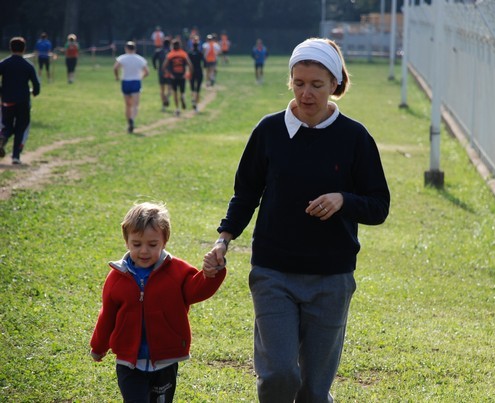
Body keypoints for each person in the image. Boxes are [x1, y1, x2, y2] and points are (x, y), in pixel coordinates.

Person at [202, 37, 390, 402]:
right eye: (299, 83)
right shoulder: (268, 131)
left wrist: (343, 200)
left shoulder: (355, 138)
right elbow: (246, 194)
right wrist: (223, 239)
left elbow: (378, 205)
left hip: (332, 278)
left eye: (317, 85)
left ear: (335, 84)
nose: (306, 94)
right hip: (274, 272)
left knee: (315, 391)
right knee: (280, 374)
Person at [90, 202, 226, 402]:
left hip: (165, 361)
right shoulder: (117, 277)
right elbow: (108, 315)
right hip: (129, 363)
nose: (144, 251)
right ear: (126, 241)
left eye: (152, 244)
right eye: (137, 244)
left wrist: (211, 274)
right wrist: (98, 346)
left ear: (164, 241)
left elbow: (197, 290)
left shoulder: (177, 271)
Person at [0, 37, 41, 165]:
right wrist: (35, 92)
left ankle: (3, 137)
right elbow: (36, 83)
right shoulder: (28, 65)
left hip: (7, 100)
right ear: (24, 49)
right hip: (23, 100)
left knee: (7, 124)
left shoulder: (4, 63)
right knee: (21, 127)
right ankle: (16, 156)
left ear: (10, 48)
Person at [114, 41, 149, 133]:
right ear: (135, 49)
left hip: (125, 81)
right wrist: (141, 77)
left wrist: (117, 77)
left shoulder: (122, 58)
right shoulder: (140, 59)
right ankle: (132, 119)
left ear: (126, 48)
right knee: (135, 105)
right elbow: (147, 72)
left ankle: (129, 123)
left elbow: (115, 68)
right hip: (136, 81)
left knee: (127, 105)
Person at [162, 39, 192, 116]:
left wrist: (168, 73)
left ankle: (177, 109)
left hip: (173, 76)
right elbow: (190, 65)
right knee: (182, 91)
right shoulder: (183, 54)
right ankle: (182, 97)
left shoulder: (170, 54)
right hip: (182, 76)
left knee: (175, 93)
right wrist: (189, 73)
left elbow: (164, 66)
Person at [152, 38, 172, 112]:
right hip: (169, 72)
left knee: (162, 89)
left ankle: (163, 104)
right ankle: (166, 98)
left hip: (161, 72)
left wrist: (155, 67)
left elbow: (153, 58)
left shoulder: (159, 51)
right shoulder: (171, 51)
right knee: (170, 89)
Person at [187, 35, 204, 112]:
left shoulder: (189, 53)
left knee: (192, 88)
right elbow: (205, 63)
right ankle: (196, 105)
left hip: (191, 72)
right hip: (199, 71)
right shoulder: (200, 53)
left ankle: (193, 100)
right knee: (198, 89)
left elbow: (187, 63)